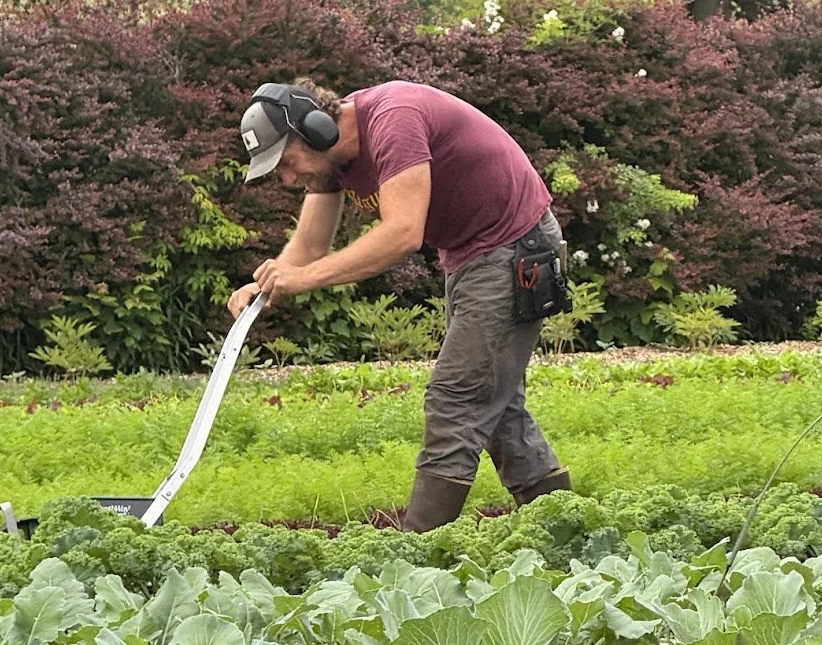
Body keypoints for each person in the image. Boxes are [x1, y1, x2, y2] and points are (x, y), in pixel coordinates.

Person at [227, 78, 572, 532]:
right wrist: (266, 285)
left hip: (514, 247)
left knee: (458, 400)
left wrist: (303, 278)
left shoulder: (394, 120)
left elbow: (403, 233)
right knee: (495, 405)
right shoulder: (332, 161)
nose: (287, 178)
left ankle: (415, 557)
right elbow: (308, 246)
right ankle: (564, 527)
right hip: (471, 255)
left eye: (287, 162)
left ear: (316, 130)